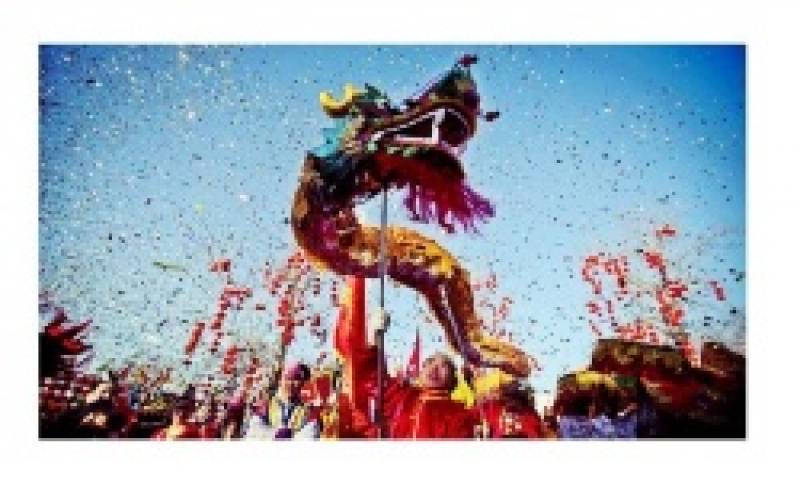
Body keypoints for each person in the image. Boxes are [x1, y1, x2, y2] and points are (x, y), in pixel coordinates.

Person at [244, 363, 320, 439]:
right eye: (287, 378)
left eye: (296, 379)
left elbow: (309, 436)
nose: (290, 383)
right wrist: (275, 434)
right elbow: (253, 432)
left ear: (302, 383)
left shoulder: (308, 412)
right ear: (280, 381)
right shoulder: (265, 406)